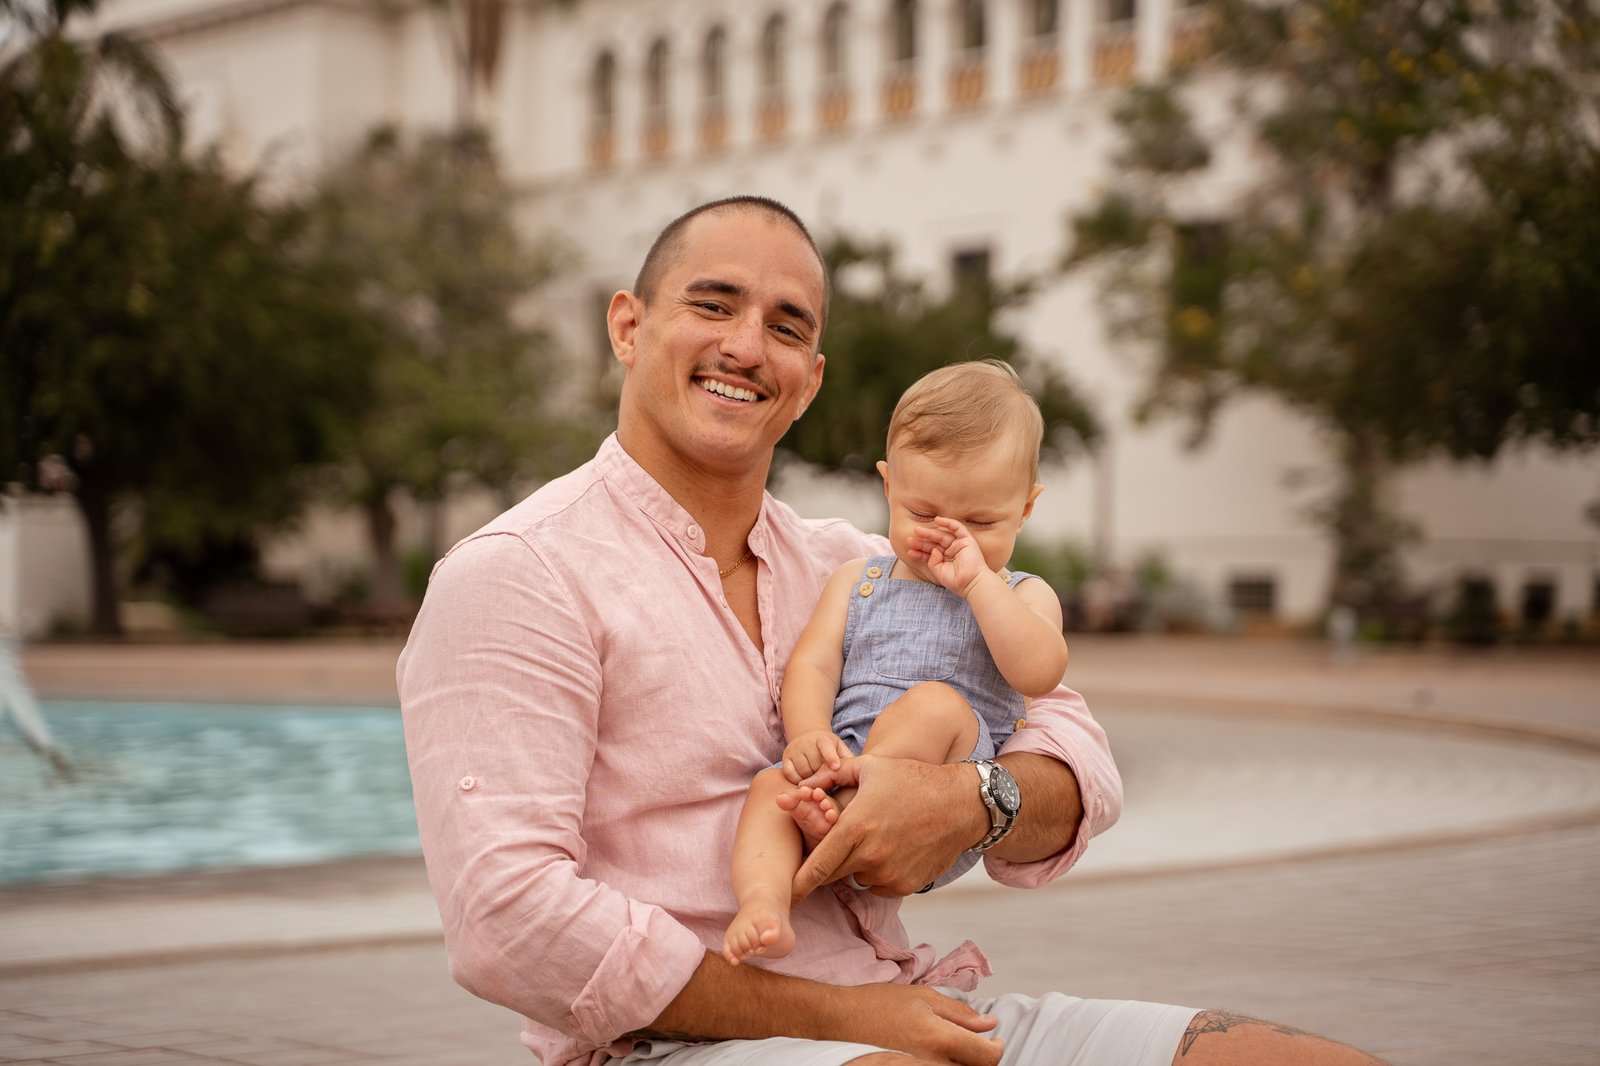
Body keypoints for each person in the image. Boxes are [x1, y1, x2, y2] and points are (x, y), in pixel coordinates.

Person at [398, 195, 1387, 1066]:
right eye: (712, 303)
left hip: (917, 1012)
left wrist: (972, 801)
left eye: (786, 325)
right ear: (627, 324)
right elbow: (507, 919)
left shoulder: (860, 563)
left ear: (812, 376)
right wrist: (837, 1017)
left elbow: (1072, 738)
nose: (747, 344)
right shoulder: (517, 575)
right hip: (675, 1047)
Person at [723, 360, 1069, 967]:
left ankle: (857, 812)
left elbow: (1039, 671)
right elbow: (812, 668)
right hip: (845, 759)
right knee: (770, 786)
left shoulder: (1021, 593)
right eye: (921, 514)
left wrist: (979, 587)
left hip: (937, 789)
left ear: (1026, 508)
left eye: (982, 522)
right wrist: (809, 734)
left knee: (935, 704)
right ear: (887, 487)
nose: (948, 538)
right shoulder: (857, 581)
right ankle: (765, 901)